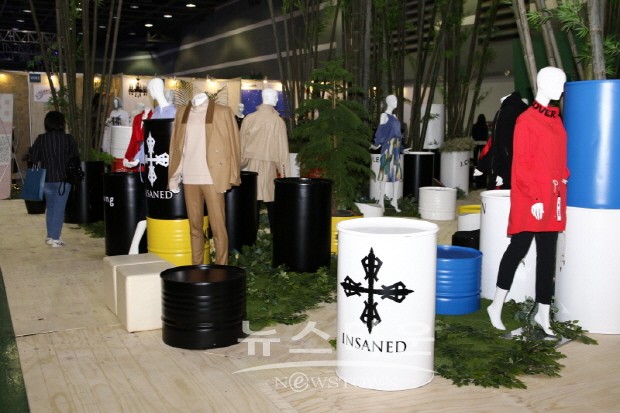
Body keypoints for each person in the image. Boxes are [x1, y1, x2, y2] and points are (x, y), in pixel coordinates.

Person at [486, 67, 568, 336]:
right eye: (558, 83)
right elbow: (522, 163)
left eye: (563, 83)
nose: (562, 89)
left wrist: (564, 176)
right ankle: (496, 305)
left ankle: (543, 313)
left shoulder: (555, 119)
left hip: (553, 196)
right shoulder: (526, 119)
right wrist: (534, 197)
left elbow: (559, 156)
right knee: (518, 248)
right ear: (542, 83)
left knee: (547, 255)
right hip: (531, 196)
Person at [168, 92, 241, 265]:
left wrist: (232, 175)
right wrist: (173, 176)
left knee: (218, 228)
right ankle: (197, 266)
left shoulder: (222, 112)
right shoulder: (182, 112)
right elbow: (176, 146)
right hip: (189, 177)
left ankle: (222, 267)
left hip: (212, 178)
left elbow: (234, 145)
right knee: (194, 227)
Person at [239, 88, 290, 229]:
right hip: (269, 166)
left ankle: (249, 235)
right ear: (269, 97)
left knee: (253, 199)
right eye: (275, 96)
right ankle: (276, 233)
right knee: (271, 199)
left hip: (251, 166)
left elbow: (240, 144)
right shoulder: (277, 121)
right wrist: (285, 175)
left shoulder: (249, 119)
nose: (277, 99)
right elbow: (282, 150)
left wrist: (238, 164)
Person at [30, 111, 80, 248]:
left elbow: (34, 158)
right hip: (63, 179)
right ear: (62, 123)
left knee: (51, 208)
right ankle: (56, 238)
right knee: (59, 209)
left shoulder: (41, 139)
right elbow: (76, 157)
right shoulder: (68, 139)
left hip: (46, 179)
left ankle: (50, 236)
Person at [475, 92, 528, 189]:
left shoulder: (506, 112)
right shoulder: (510, 111)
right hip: (505, 163)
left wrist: (504, 174)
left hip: (503, 166)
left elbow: (502, 144)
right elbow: (498, 143)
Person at [372, 94, 402, 212]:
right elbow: (380, 131)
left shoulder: (394, 116)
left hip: (396, 147)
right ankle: (381, 200)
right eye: (394, 100)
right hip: (388, 146)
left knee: (397, 174)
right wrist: (377, 143)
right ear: (388, 102)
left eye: (396, 100)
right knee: (385, 173)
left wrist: (402, 148)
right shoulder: (384, 115)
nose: (396, 102)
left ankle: (394, 200)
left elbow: (398, 135)